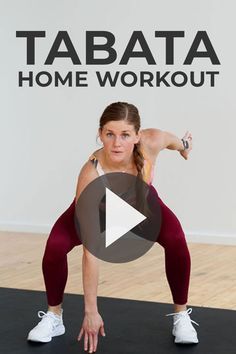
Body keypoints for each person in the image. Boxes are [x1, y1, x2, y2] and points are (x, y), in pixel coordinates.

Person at [27, 101, 199, 351]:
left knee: (176, 239)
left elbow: (174, 141)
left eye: (125, 135)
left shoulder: (151, 141)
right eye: (110, 134)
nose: (117, 143)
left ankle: (181, 316)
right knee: (55, 246)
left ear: (137, 136)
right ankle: (54, 317)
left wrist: (184, 146)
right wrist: (91, 311)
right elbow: (91, 250)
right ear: (100, 134)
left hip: (141, 207)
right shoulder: (91, 173)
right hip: (100, 212)